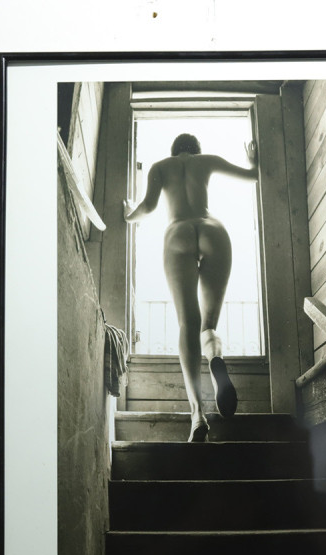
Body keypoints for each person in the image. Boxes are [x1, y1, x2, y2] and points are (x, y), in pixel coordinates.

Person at [123, 133, 258, 442]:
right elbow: (252, 175)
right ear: (196, 150)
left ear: (174, 151)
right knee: (208, 326)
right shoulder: (206, 161)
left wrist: (129, 215)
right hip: (213, 230)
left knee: (188, 323)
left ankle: (197, 414)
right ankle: (215, 359)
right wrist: (253, 160)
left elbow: (148, 206)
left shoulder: (160, 167)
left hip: (178, 232)